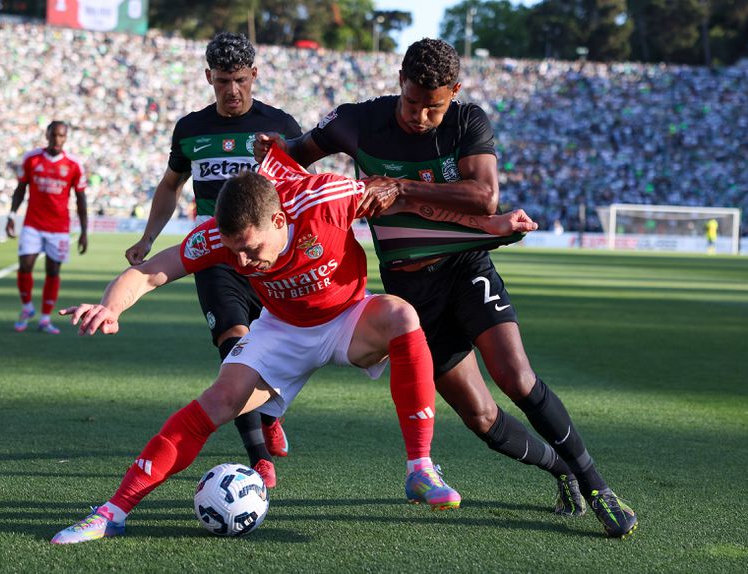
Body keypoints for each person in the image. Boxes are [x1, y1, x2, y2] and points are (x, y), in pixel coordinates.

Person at [49, 147, 534, 544]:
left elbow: (408, 205)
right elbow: (151, 270)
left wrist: (488, 226)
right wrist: (111, 307)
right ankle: (112, 512)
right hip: (280, 329)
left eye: (250, 249)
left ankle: (420, 468)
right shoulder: (217, 237)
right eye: (234, 251)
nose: (243, 263)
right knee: (218, 401)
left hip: (347, 318)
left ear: (280, 219)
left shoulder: (328, 198)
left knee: (401, 316)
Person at [255, 39, 637, 539]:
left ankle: (596, 485)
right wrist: (274, 151)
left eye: (433, 106)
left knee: (516, 377)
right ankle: (559, 469)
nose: (420, 116)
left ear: (454, 91)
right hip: (411, 296)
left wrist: (400, 186)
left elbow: (485, 197)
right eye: (412, 102)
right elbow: (295, 155)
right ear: (400, 82)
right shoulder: (356, 121)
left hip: (465, 268)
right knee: (481, 418)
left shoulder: (467, 121)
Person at [123, 32, 303, 488]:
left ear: (254, 75)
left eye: (240, 79)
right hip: (215, 254)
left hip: (269, 257)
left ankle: (267, 414)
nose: (232, 90)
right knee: (235, 347)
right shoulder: (191, 129)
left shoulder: (280, 125)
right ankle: (259, 459)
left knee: (278, 353)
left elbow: (303, 187)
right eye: (223, 81)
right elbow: (171, 185)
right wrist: (148, 238)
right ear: (208, 77)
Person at [6, 121, 88, 335]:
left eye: (61, 136)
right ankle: (27, 307)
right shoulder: (31, 158)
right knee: (25, 266)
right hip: (33, 224)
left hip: (59, 228)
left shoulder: (74, 164)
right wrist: (11, 215)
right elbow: (20, 189)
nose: (57, 140)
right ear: (47, 135)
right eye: (54, 135)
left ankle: (45, 318)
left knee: (53, 271)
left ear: (66, 138)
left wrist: (84, 232)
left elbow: (81, 199)